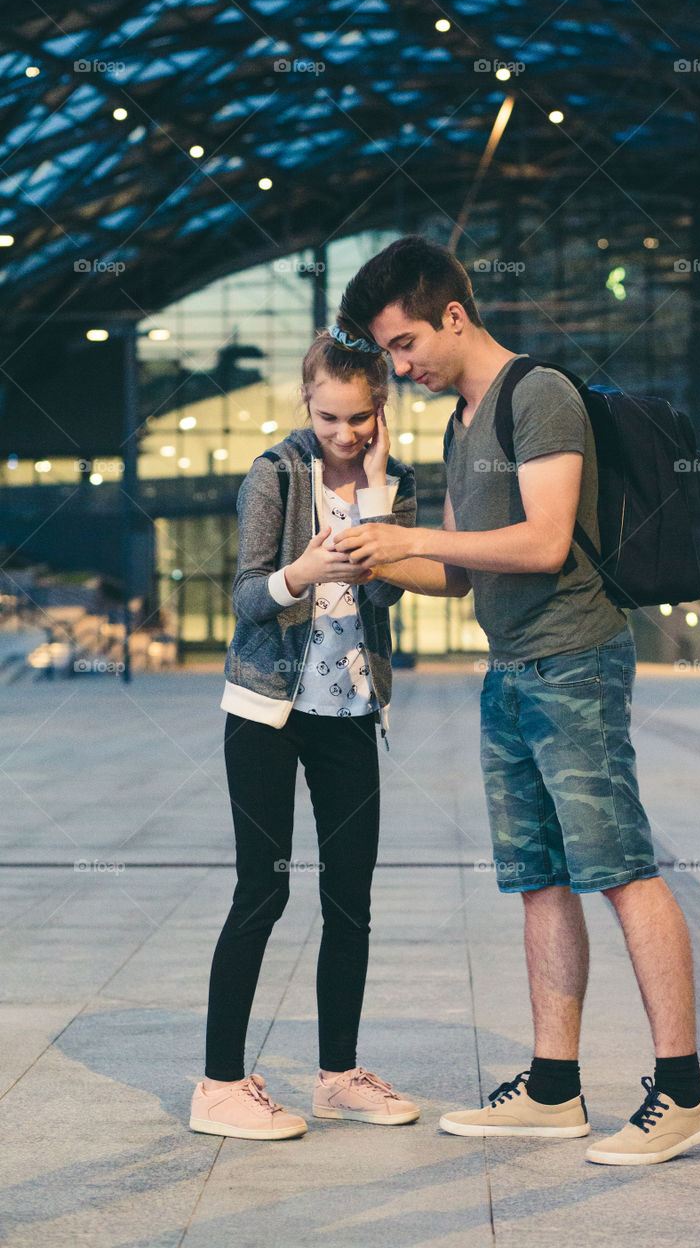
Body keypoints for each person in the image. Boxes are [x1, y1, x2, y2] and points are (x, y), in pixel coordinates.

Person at [332, 236, 700, 1165]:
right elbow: (464, 574)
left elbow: (545, 542)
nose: (399, 366)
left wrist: (413, 532)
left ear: (454, 316)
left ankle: (684, 1089)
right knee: (538, 881)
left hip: (575, 665)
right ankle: (552, 1087)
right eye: (388, 351)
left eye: (402, 344)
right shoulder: (460, 420)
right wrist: (378, 556)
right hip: (509, 670)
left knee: (620, 867)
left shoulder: (536, 395)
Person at [189, 325, 420, 1141]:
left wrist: (383, 500)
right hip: (266, 712)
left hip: (350, 713)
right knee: (264, 888)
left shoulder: (396, 482)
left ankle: (336, 1076)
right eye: (329, 417)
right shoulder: (275, 475)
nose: (345, 434)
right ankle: (218, 1084)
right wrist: (303, 573)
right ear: (306, 400)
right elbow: (246, 597)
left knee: (349, 899)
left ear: (380, 408)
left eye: (359, 417)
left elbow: (389, 603)